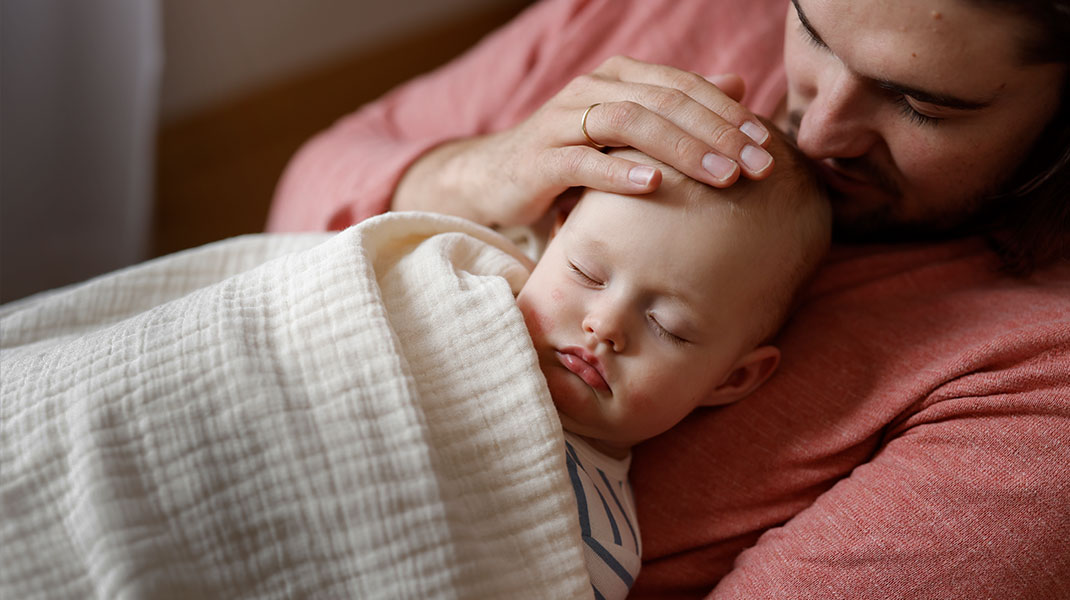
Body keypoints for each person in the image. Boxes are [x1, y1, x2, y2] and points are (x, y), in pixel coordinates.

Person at [267, 0, 1070, 597]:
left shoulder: (1039, 383)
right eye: (813, 33)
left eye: (920, 104)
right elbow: (298, 200)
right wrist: (480, 173)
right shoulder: (675, 16)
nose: (819, 129)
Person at [521, 141, 829, 599]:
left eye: (669, 327)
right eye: (585, 272)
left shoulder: (596, 543)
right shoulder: (462, 282)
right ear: (552, 238)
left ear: (730, 378)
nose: (604, 326)